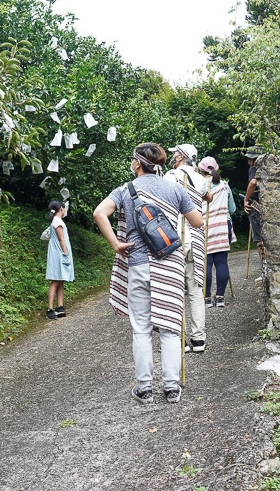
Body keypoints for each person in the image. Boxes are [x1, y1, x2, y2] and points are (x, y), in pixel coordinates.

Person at [93, 142, 202, 404]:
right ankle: (172, 388)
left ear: (138, 163)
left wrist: (116, 244)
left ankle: (145, 389)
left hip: (139, 263)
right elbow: (198, 222)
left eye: (132, 160)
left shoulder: (125, 190)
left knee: (141, 329)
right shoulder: (175, 188)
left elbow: (99, 213)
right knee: (170, 328)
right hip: (170, 264)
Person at [164, 143, 213, 353]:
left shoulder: (169, 177)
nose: (173, 156)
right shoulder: (201, 180)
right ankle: (199, 340)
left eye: (175, 153)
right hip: (195, 239)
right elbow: (207, 196)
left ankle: (180, 340)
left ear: (182, 156)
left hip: (174, 238)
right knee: (195, 290)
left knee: (175, 290)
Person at [198, 156, 234, 308]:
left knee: (206, 262)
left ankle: (206, 298)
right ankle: (220, 297)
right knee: (221, 262)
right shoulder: (224, 186)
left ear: (201, 170)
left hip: (204, 225)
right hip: (222, 225)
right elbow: (232, 209)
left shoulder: (198, 185)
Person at [45, 200, 73, 320]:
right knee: (56, 280)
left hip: (58, 252)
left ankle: (60, 307)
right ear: (61, 208)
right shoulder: (57, 222)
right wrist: (66, 254)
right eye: (65, 208)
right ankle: (50, 309)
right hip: (59, 254)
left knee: (61, 280)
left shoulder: (57, 221)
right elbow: (61, 239)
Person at [243, 147, 265, 254]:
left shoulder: (253, 168)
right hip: (266, 204)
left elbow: (253, 182)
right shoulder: (266, 167)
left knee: (260, 240)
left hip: (256, 205)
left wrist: (246, 199)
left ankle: (264, 264)